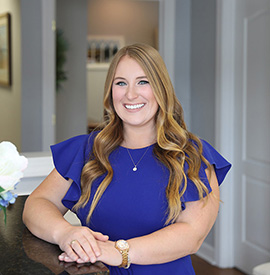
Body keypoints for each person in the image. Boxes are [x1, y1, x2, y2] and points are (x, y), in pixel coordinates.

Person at [23, 43, 231, 274]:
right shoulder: (86, 150)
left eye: (143, 82)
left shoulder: (193, 156)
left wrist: (117, 251)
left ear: (161, 89)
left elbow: (192, 234)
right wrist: (65, 233)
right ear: (111, 92)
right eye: (121, 83)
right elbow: (38, 204)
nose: (130, 94)